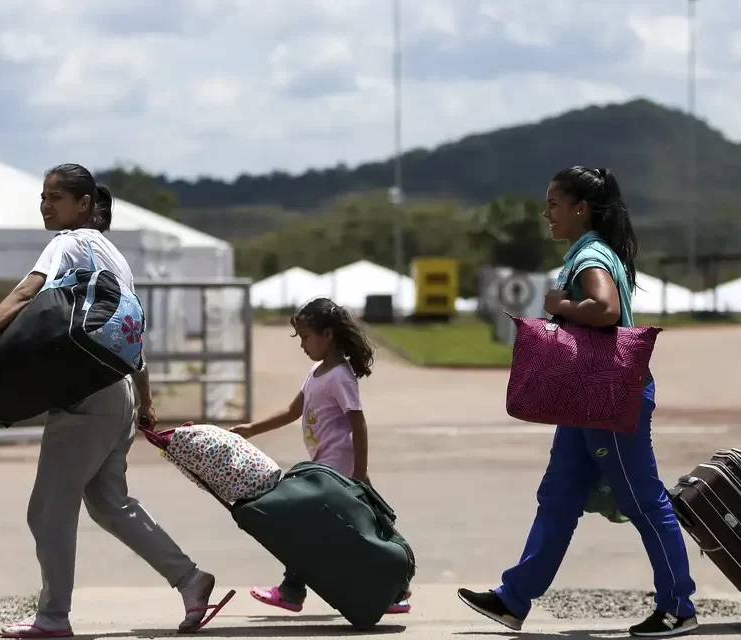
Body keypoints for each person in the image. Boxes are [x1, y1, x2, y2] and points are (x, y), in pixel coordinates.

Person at [0, 164, 232, 638]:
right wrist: (144, 399)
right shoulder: (115, 257)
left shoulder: (68, 243)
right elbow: (128, 334)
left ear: (84, 205)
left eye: (56, 198)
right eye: (43, 197)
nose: (46, 206)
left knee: (48, 508)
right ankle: (190, 579)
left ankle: (52, 618)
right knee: (109, 504)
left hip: (85, 396)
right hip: (117, 392)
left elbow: (27, 293)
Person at [456, 167, 699, 638]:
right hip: (585, 399)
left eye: (553, 203)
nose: (546, 211)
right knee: (558, 497)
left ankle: (678, 607)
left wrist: (561, 306)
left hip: (607, 397)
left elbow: (605, 310)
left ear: (580, 208)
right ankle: (513, 599)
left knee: (643, 501)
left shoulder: (590, 255)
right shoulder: (589, 252)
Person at [231, 297, 412, 614]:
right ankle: (392, 593)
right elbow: (292, 412)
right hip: (323, 470)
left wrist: (360, 473)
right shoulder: (316, 372)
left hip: (337, 472)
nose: (302, 345)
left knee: (307, 529)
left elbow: (359, 422)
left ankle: (292, 590)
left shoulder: (341, 376)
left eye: (306, 337)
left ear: (327, 334)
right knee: (340, 535)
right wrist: (251, 429)